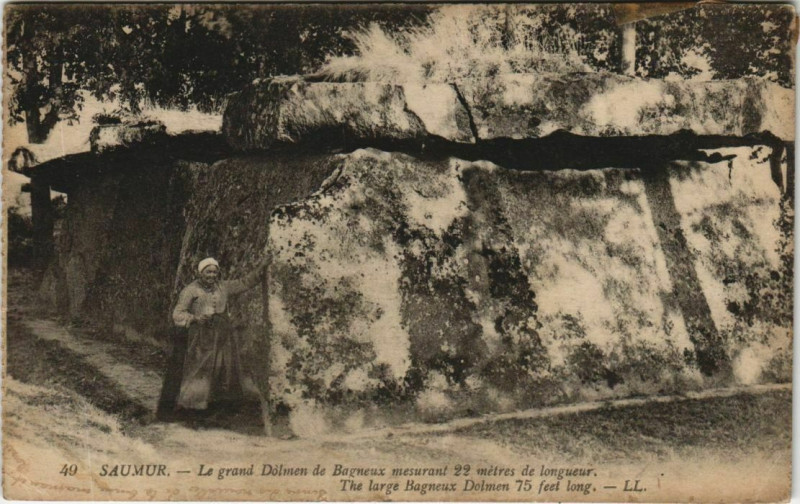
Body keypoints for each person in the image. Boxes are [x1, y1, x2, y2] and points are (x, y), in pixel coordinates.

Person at [161, 256, 269, 426]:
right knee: (200, 370)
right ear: (200, 273)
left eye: (214, 272)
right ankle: (193, 408)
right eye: (207, 272)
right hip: (202, 337)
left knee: (223, 369)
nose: (211, 275)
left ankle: (216, 408)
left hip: (223, 336)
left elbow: (244, 283)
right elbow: (177, 314)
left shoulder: (223, 286)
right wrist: (196, 318)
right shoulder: (191, 290)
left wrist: (262, 267)